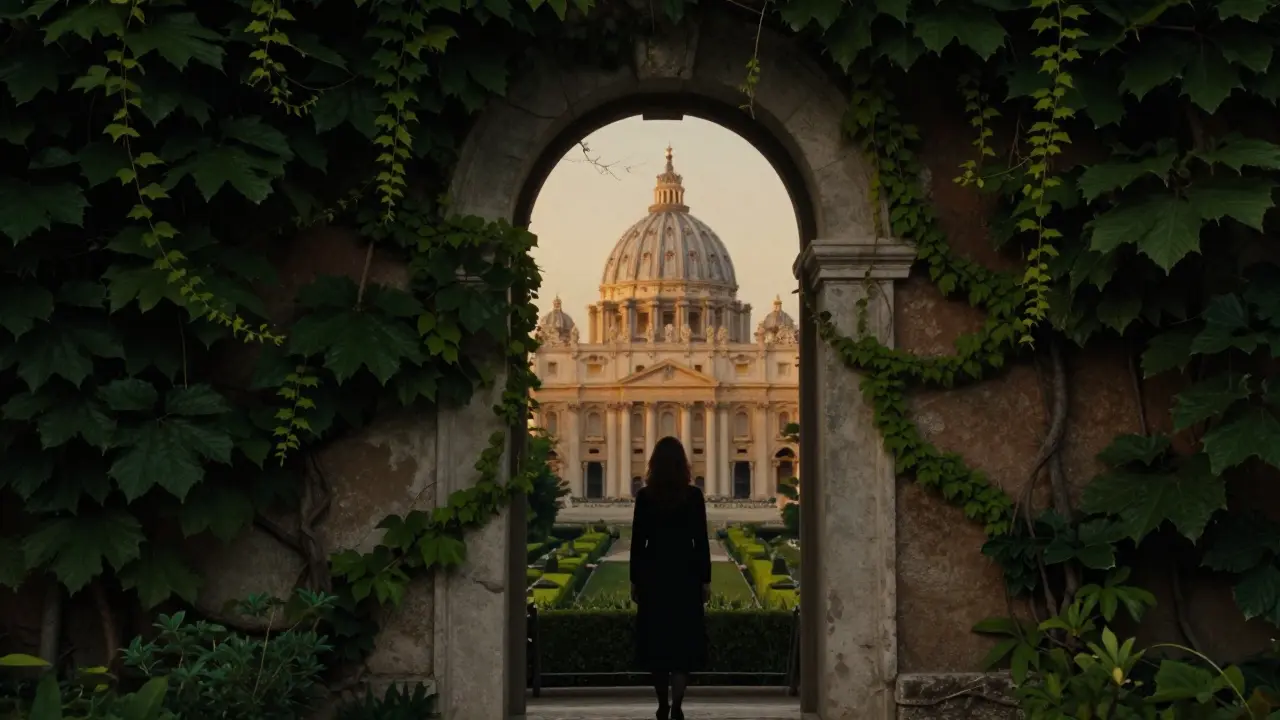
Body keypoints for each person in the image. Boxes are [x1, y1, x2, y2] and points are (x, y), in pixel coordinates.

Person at [630, 436, 711, 720]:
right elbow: (701, 541)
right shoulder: (693, 496)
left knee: (658, 646)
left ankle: (662, 704)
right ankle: (677, 706)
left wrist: (635, 580)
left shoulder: (645, 497)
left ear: (654, 464)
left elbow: (638, 543)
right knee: (682, 648)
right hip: (685, 577)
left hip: (654, 576)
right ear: (683, 465)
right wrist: (705, 580)